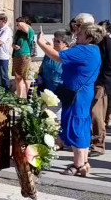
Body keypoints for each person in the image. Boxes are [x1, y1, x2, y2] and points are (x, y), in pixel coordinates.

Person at [38, 23, 102, 176]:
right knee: (83, 125)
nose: (76, 36)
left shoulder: (83, 50)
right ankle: (84, 161)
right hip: (83, 93)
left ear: (89, 38)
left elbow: (57, 56)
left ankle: (78, 165)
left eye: (80, 35)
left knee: (76, 127)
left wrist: (40, 42)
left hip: (76, 95)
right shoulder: (93, 49)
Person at [90, 20, 111, 157]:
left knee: (97, 114)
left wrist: (104, 83)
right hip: (86, 83)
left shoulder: (106, 42)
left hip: (99, 83)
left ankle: (98, 145)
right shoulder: (83, 42)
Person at [11, 16, 35, 98]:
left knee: (26, 78)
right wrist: (14, 46)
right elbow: (13, 43)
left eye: (18, 24)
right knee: (18, 78)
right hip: (16, 56)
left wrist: (22, 23)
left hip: (25, 57)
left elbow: (22, 25)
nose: (17, 25)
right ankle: (19, 98)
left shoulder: (30, 32)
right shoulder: (18, 33)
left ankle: (29, 99)